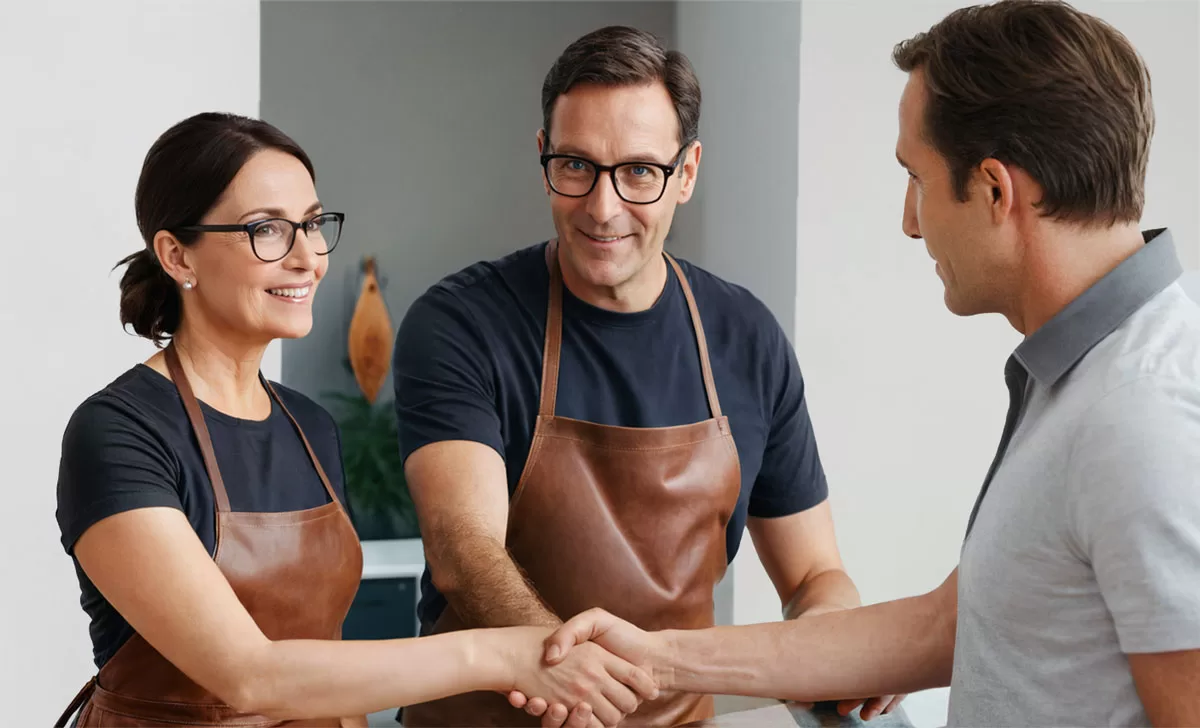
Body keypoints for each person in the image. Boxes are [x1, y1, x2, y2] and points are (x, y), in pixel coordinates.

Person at [517, 2, 1200, 727]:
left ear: (996, 190)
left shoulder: (1142, 415)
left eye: (919, 178)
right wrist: (657, 660)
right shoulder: (1085, 380)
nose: (910, 220)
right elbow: (944, 627)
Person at [53, 112, 657, 728]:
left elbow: (330, 670)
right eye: (267, 230)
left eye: (312, 225)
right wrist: (503, 653)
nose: (308, 257)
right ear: (177, 254)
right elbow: (249, 673)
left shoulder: (309, 428)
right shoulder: (118, 433)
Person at [391, 25, 895, 727]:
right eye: (576, 167)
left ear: (685, 174)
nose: (603, 208)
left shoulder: (746, 339)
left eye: (638, 172)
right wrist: (567, 672)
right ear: (543, 159)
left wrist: (840, 643)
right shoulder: (461, 324)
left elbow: (814, 577)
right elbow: (464, 551)